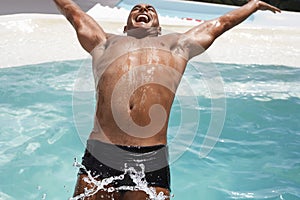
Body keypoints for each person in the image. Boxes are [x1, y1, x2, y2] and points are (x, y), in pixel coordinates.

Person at [53, 0, 280, 199]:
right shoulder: (104, 43)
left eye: (149, 8)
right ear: (125, 26)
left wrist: (253, 5)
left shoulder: (178, 46)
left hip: (151, 156)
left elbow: (221, 23)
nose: (143, 9)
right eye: (136, 8)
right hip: (102, 150)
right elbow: (72, 12)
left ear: (158, 26)